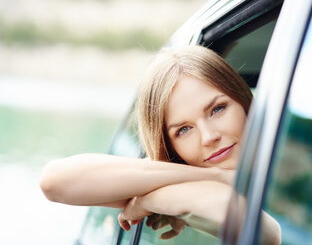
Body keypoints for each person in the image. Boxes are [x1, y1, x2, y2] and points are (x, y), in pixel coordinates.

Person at [39, 45, 281, 244]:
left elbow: (269, 235)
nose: (208, 137)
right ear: (170, 147)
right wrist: (217, 177)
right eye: (183, 130)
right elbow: (54, 181)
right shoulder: (177, 173)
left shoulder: (296, 158)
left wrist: (150, 201)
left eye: (217, 109)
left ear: (243, 101)